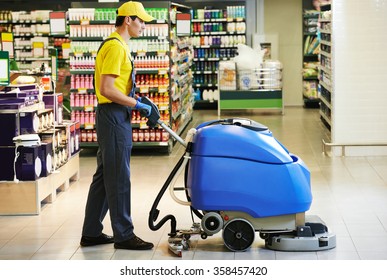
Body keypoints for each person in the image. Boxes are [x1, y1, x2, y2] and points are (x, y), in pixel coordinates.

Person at [80, 1, 155, 250]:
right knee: (119, 177)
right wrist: (136, 104)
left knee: (104, 176)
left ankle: (91, 232)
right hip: (113, 117)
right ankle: (124, 235)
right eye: (140, 20)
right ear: (127, 20)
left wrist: (138, 100)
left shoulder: (119, 44)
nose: (143, 25)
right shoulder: (115, 48)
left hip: (113, 115)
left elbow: (116, 86)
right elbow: (107, 89)